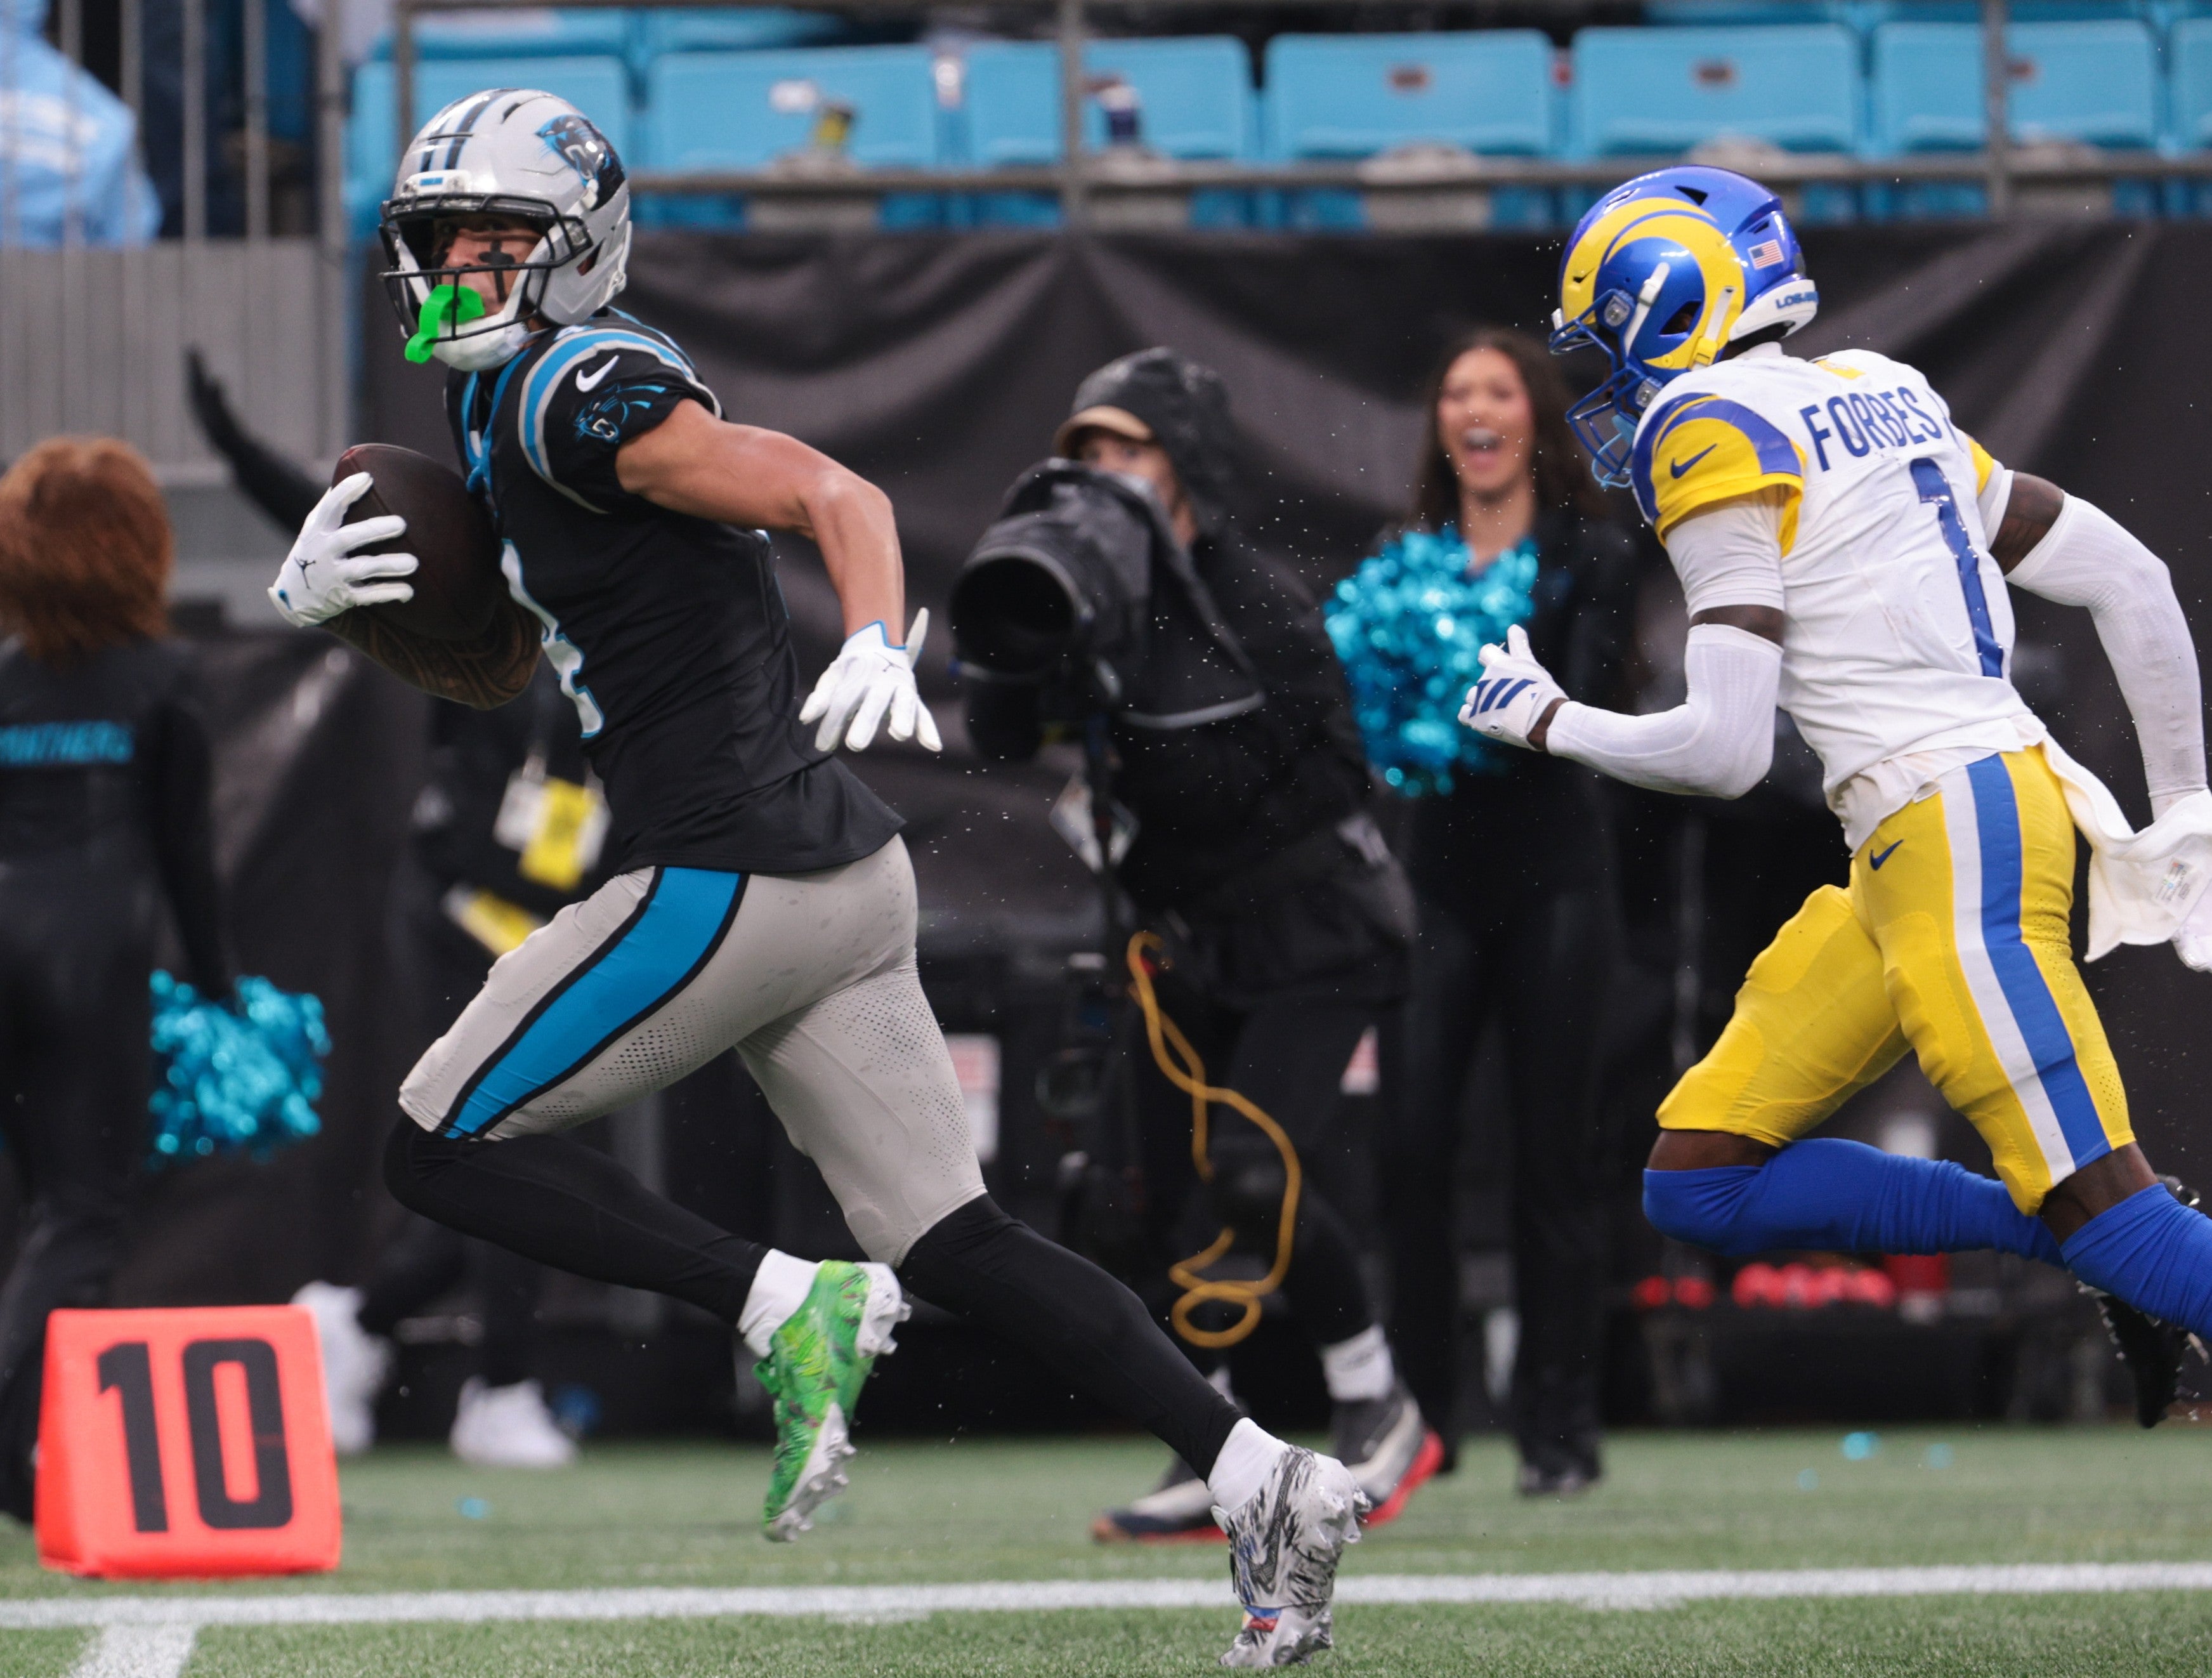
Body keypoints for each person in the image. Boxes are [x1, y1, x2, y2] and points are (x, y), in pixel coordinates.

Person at [270, 89, 1360, 1665]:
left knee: (437, 1147)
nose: (461, 269)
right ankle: (1263, 1474)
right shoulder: (513, 396)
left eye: (499, 240)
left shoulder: (585, 385)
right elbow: (520, 652)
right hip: (836, 878)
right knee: (957, 1240)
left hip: (728, 877)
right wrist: (352, 612)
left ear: (579, 250)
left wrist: (869, 631)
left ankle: (782, 1297)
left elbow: (830, 493)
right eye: (442, 241)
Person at [1458, 165, 2212, 1421]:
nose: (1599, 381)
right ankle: (2076, 1242)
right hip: (1926, 838)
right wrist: (2185, 807)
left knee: (2119, 1219)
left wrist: (1551, 721)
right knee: (1696, 1179)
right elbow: (2132, 579)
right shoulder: (1878, 391)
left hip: (1954, 834)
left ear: (1667, 304)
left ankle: (2108, 1242)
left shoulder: (1701, 427)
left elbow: (1724, 750)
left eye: (1603, 343)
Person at [965, 348, 1439, 1543]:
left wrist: (1163, 750)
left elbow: (1312, 780)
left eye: (1128, 450)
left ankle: (1380, 1403)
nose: (1106, 476)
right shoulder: (1078, 585)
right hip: (1180, 939)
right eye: (1087, 453)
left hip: (1318, 926)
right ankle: (1219, 1452)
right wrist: (1029, 645)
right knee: (1144, 1200)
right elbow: (999, 731)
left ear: (1183, 463)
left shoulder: (1253, 596)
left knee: (1250, 1166)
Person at [189, 352, 582, 1469]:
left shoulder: (624, 606)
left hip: (573, 931)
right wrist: (235, 451)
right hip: (465, 920)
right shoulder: (484, 598)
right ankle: (499, 1383)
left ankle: (354, 1321)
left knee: (540, 1168)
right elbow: (353, 541)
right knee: (520, 1151)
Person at [1378, 328, 1642, 1495]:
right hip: (1435, 879)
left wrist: (1484, 680)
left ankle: (1559, 1434)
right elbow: (1372, 716)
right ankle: (1426, 1428)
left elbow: (1576, 706)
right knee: (1414, 1152)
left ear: (1533, 416)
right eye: (1453, 392)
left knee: (1555, 1163)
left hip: (1557, 881)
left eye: (1495, 391)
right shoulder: (1403, 558)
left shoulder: (1593, 550)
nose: (1473, 411)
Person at [0, 437, 232, 1521]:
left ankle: (18, 1462)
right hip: (91, 960)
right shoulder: (166, 678)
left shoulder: (4, 682)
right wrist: (224, 991)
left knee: (38, 1212)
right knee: (83, 1212)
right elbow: (188, 861)